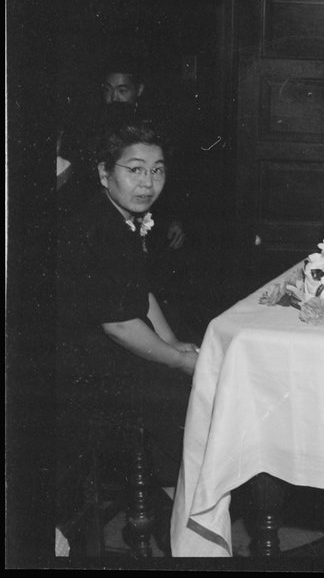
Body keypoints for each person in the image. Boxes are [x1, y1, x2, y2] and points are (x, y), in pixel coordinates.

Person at [56, 118, 198, 494]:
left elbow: (141, 292)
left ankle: (183, 491)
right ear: (104, 173)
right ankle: (181, 499)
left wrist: (172, 344)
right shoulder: (97, 227)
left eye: (157, 171)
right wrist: (178, 360)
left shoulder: (121, 218)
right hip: (83, 366)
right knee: (184, 394)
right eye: (135, 170)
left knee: (191, 364)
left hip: (110, 346)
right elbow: (117, 324)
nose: (148, 183)